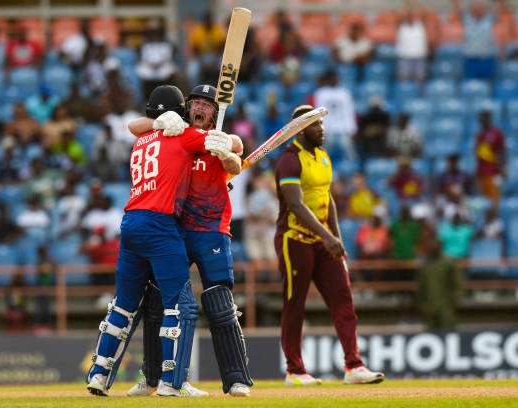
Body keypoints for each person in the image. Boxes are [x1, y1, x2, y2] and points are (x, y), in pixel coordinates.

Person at [86, 85, 233, 397]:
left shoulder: (141, 140)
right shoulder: (181, 135)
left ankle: (98, 375)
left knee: (123, 305)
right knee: (179, 306)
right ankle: (173, 383)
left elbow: (134, 125)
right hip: (160, 224)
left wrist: (155, 123)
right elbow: (218, 140)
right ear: (180, 113)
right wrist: (231, 144)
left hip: (130, 223)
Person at [125, 85, 252, 397]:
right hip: (175, 228)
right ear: (186, 108)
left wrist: (228, 150)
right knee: (158, 303)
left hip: (211, 228)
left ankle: (236, 379)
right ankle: (153, 377)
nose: (200, 109)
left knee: (220, 304)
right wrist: (158, 122)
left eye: (207, 106)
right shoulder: (174, 132)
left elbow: (236, 161)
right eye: (195, 103)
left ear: (214, 113)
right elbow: (134, 127)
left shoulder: (217, 138)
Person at [274, 104, 384, 386]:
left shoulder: (323, 157)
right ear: (299, 129)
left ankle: (354, 366)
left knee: (344, 300)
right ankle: (294, 371)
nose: (321, 129)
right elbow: (296, 205)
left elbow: (327, 198)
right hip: (294, 240)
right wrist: (328, 236)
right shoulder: (289, 159)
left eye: (321, 124)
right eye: (315, 125)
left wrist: (337, 238)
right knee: (294, 304)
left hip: (323, 242)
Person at [416, 239, 464, 329]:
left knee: (448, 331)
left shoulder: (449, 263)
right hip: (429, 306)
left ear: (440, 248)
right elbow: (421, 286)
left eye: (435, 247)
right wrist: (421, 303)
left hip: (446, 306)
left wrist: (455, 299)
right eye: (431, 248)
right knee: (430, 333)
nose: (432, 249)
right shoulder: (426, 264)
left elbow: (458, 283)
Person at [474, 110, 505, 205]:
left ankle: (494, 219)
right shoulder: (479, 135)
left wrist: (504, 167)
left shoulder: (496, 133)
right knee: (484, 202)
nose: (481, 120)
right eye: (480, 118)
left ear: (488, 118)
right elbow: (478, 156)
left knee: (494, 200)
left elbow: (502, 151)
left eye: (483, 117)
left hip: (493, 172)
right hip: (481, 173)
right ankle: (486, 219)